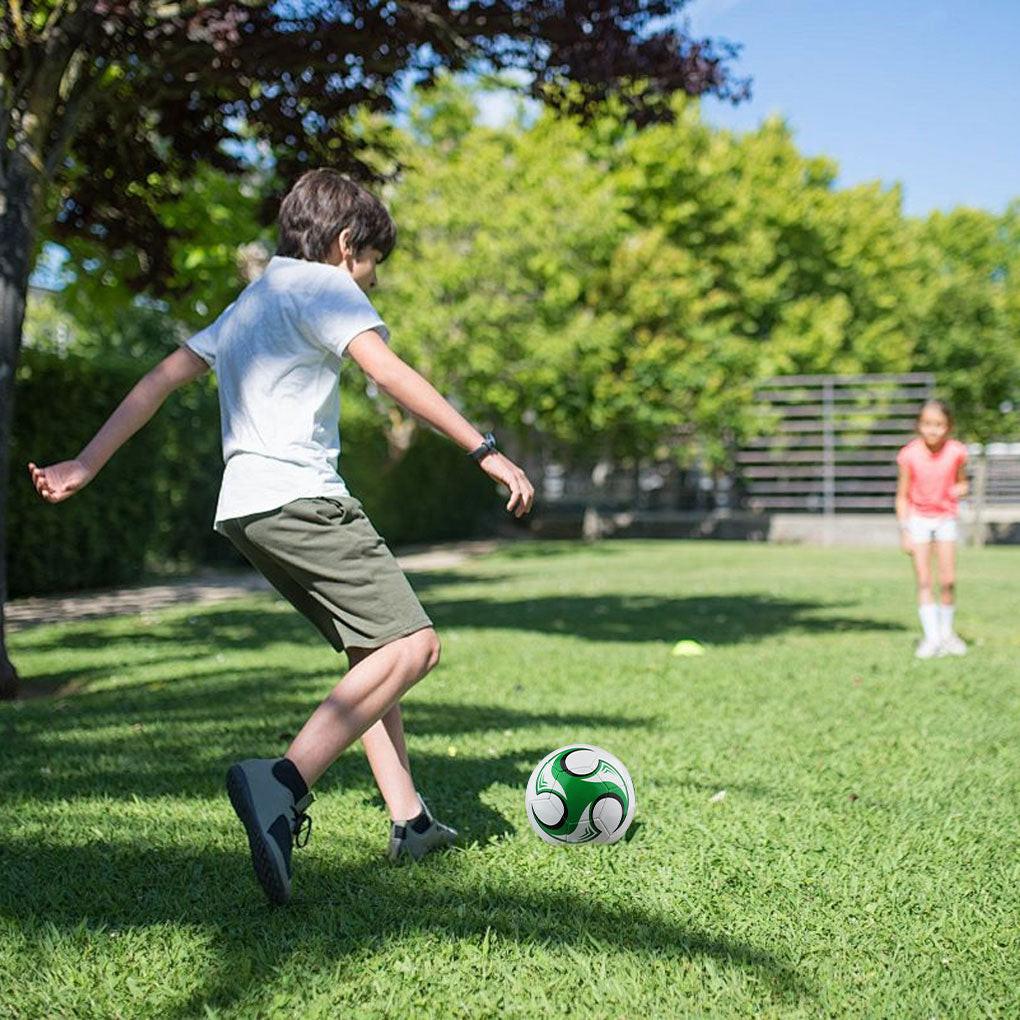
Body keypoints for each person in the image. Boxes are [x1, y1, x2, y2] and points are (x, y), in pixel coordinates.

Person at [28, 168, 535, 904]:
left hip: (247, 507)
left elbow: (161, 379)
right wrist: (485, 450)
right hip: (304, 497)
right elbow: (388, 373)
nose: (370, 284)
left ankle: (411, 820)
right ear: (343, 244)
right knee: (414, 646)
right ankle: (283, 783)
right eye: (370, 267)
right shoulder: (325, 285)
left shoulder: (255, 297)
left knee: (374, 649)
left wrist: (86, 461)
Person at [895, 399, 968, 660]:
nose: (932, 430)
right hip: (918, 520)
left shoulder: (957, 452)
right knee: (924, 580)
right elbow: (902, 496)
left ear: (948, 427)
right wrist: (904, 531)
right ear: (919, 426)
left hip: (946, 518)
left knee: (948, 581)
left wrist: (959, 489)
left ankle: (947, 634)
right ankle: (932, 637)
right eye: (927, 424)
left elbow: (962, 482)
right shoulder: (909, 455)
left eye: (938, 425)